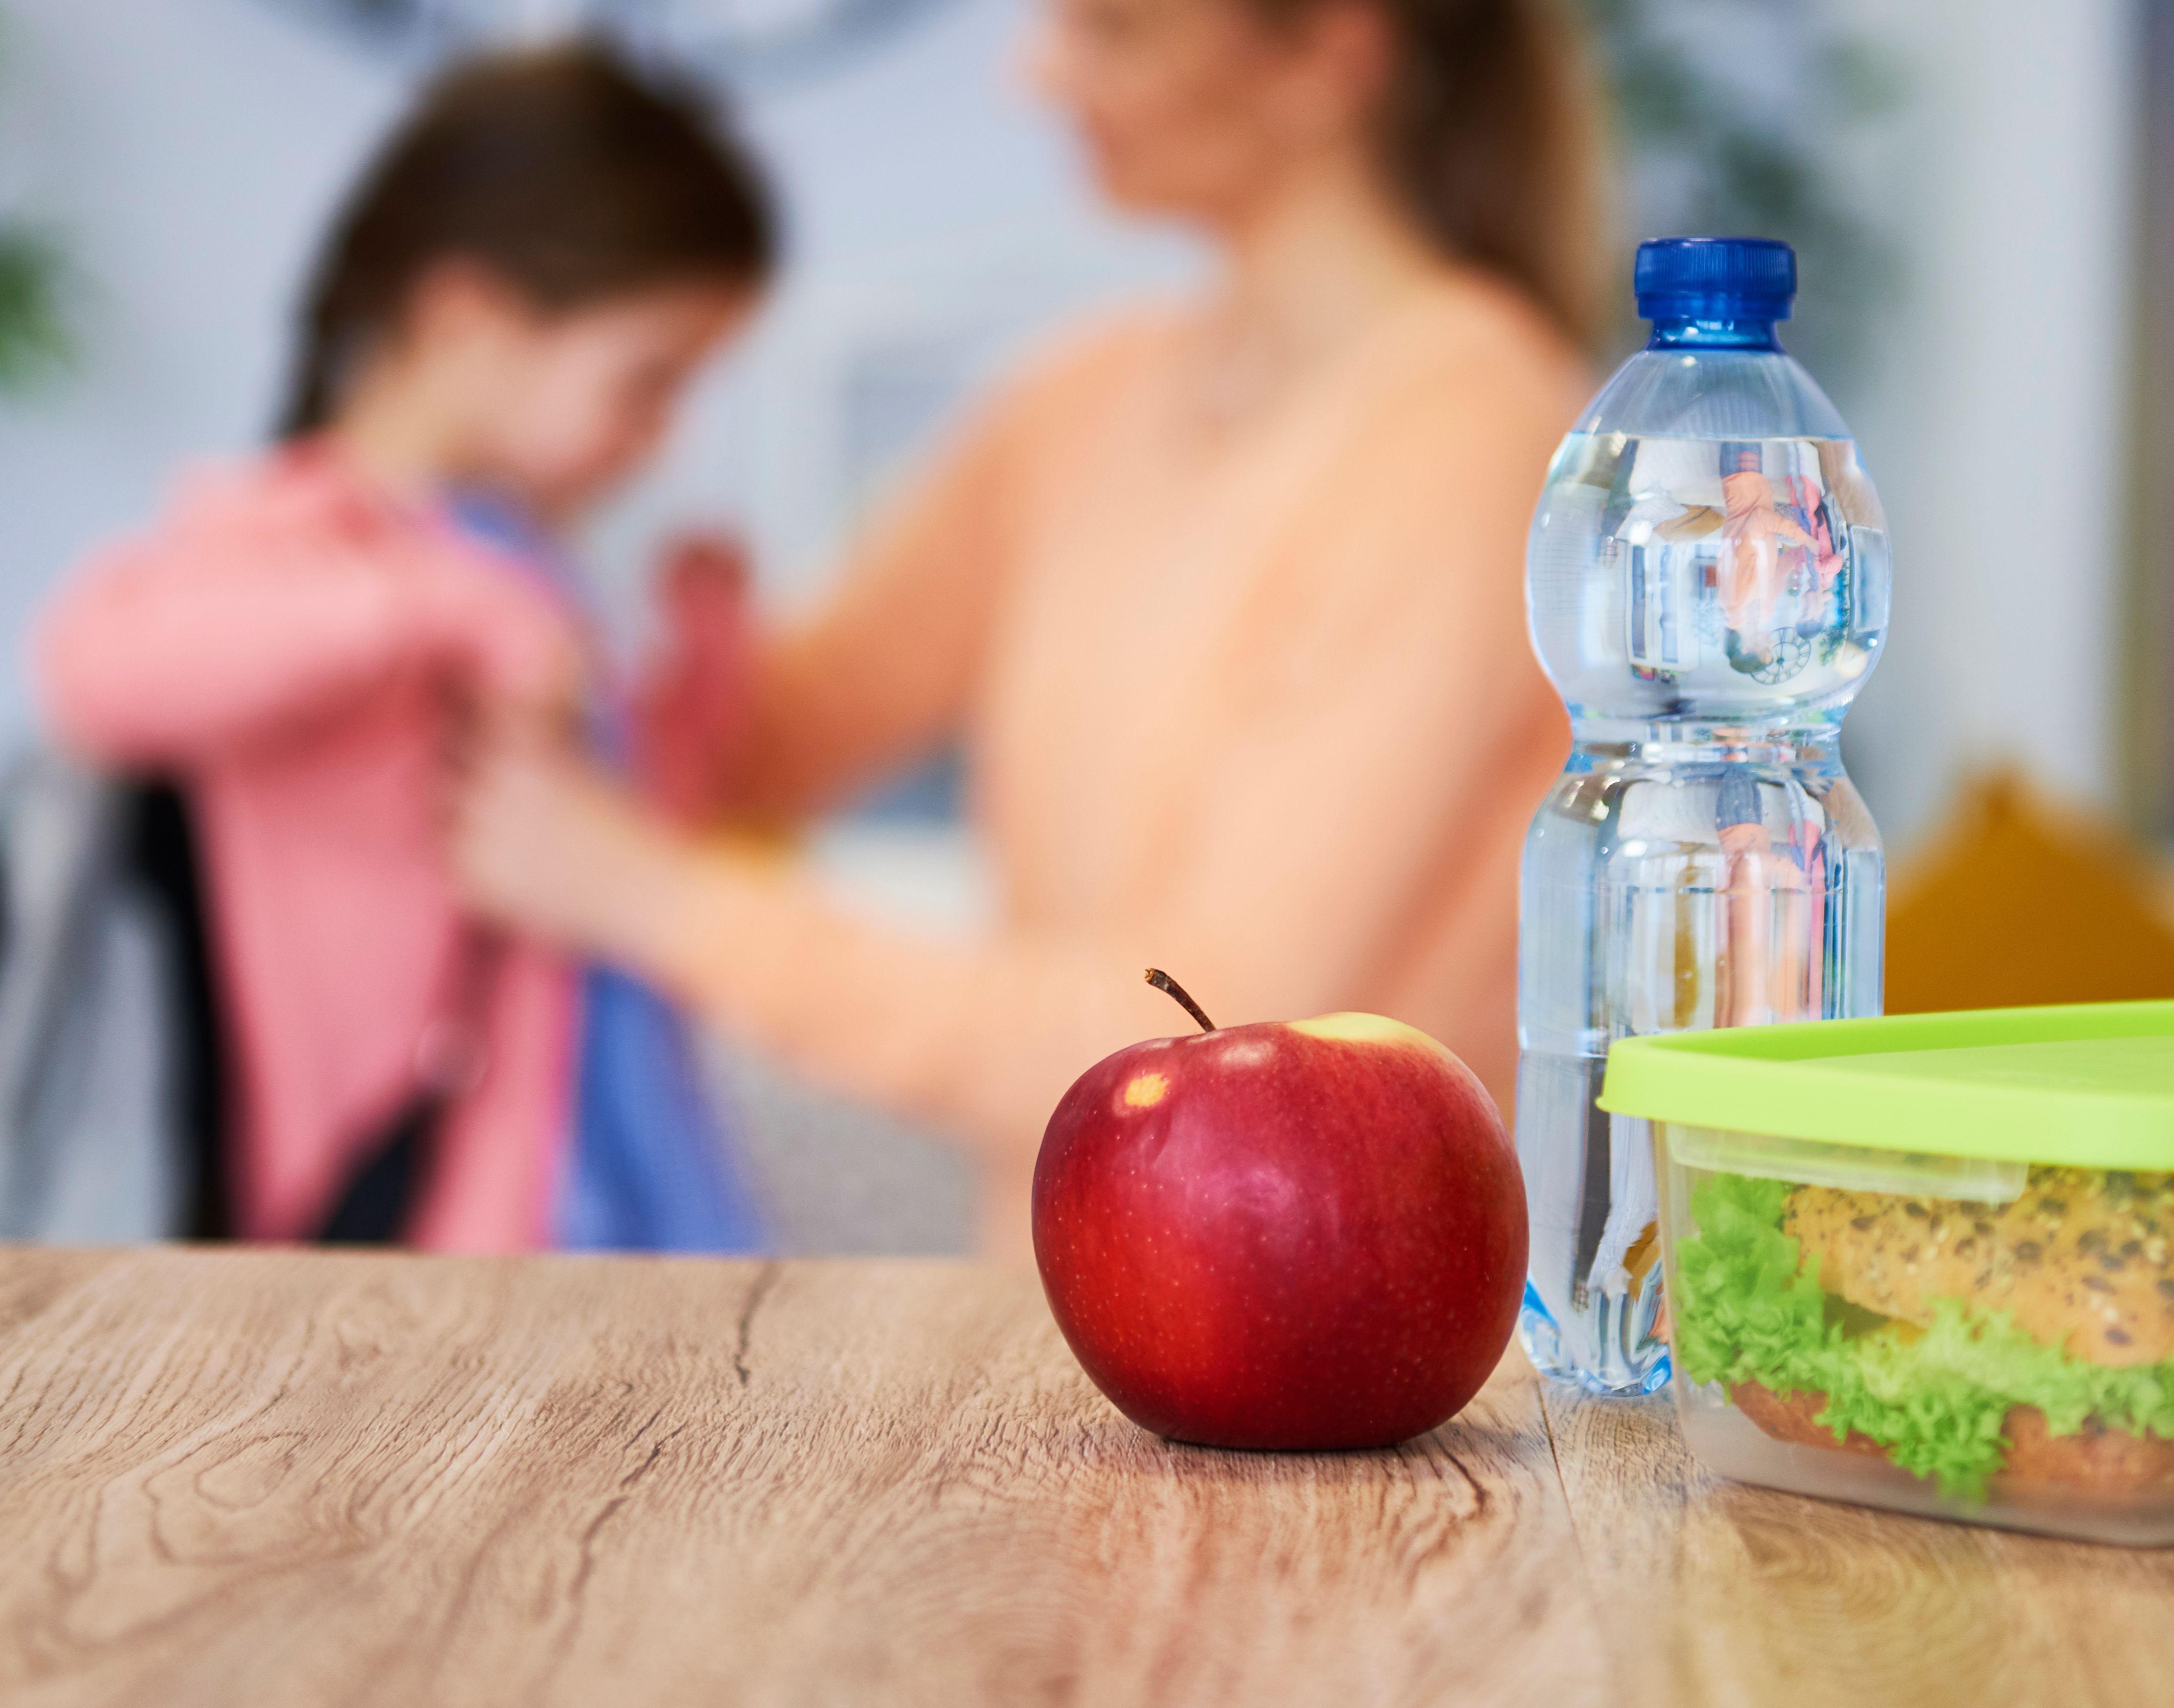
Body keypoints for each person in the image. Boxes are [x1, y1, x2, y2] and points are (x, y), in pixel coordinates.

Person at [451, 0, 1603, 1261]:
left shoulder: (1467, 436)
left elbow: (1214, 1046)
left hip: (1342, 1340)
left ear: (1329, 60)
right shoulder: (1080, 401)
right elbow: (758, 743)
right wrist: (503, 484)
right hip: (1075, 1312)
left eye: (1111, 31)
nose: (1036, 74)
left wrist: (654, 904)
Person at [35, 43, 774, 1251]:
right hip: (434, 1224)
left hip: (618, 1183)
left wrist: (702, 677)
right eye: (647, 382)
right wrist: (430, 606)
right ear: (467, 321)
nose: (663, 439)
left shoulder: (525, 563)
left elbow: (614, 858)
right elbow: (92, 670)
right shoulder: (307, 537)